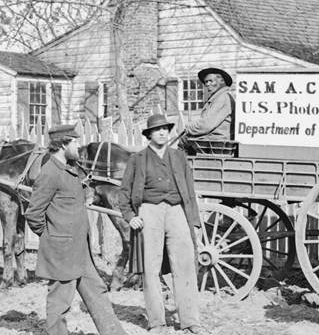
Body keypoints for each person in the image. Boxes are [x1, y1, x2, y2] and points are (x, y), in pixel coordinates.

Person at [23, 124, 127, 335]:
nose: (79, 146)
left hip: (80, 249)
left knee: (96, 291)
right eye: (75, 142)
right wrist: (54, 238)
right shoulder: (50, 173)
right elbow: (33, 214)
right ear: (62, 144)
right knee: (60, 301)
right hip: (62, 251)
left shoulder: (70, 170)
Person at [119, 114, 204, 334]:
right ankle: (157, 322)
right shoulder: (138, 159)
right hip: (149, 212)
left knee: (184, 267)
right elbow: (124, 192)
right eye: (157, 130)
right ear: (149, 134)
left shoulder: (179, 157)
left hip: (177, 212)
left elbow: (191, 192)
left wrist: (193, 221)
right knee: (151, 269)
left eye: (165, 129)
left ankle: (190, 320)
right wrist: (130, 216)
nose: (162, 133)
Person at [180, 67, 234, 152]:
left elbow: (206, 125)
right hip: (215, 139)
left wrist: (188, 127)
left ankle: (183, 164)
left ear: (222, 81)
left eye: (211, 81)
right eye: (206, 82)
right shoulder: (218, 97)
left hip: (218, 142)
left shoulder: (222, 98)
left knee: (184, 140)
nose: (207, 84)